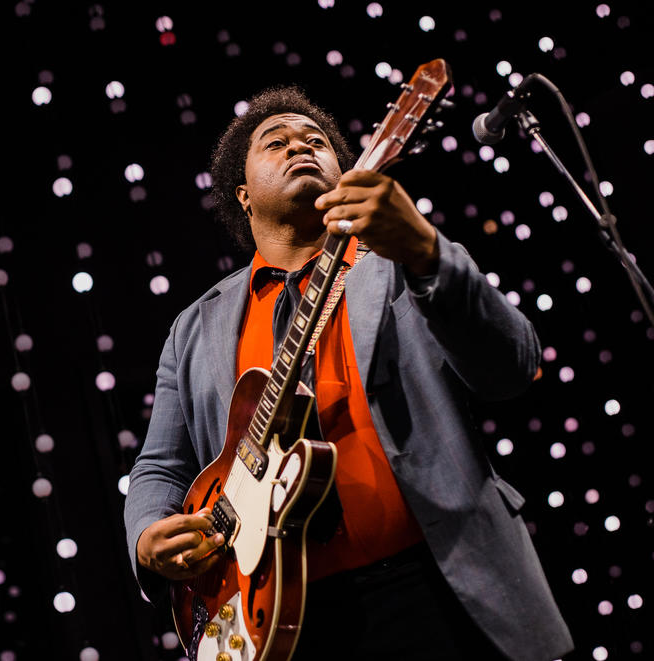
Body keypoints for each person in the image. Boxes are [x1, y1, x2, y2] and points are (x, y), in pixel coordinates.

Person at [123, 86, 573, 660]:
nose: (301, 148)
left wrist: (428, 253)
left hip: (438, 584)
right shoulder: (192, 329)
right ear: (242, 195)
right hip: (278, 619)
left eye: (317, 142)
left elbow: (511, 369)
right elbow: (160, 465)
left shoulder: (403, 259)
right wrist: (146, 537)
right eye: (276, 142)